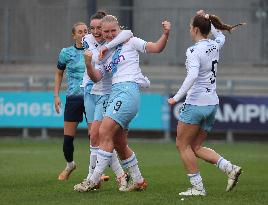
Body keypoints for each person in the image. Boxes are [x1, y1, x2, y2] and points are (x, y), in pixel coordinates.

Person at [75, 15, 171, 192]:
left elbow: (156, 48)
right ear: (102, 33)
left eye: (113, 31)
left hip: (128, 91)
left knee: (103, 130)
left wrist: (165, 34)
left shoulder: (131, 41)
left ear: (118, 28)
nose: (110, 34)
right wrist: (88, 64)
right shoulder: (105, 54)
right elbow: (96, 78)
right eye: (106, 32)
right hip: (115, 94)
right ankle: (139, 180)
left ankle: (93, 180)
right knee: (119, 143)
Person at [168, 10, 245, 196]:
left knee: (182, 145)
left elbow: (193, 75)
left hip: (195, 104)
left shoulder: (193, 50)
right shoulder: (214, 45)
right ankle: (230, 168)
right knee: (195, 147)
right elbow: (221, 36)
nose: (189, 30)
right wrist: (208, 18)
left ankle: (197, 188)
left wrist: (176, 97)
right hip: (212, 104)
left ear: (195, 29)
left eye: (190, 27)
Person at [74, 11, 134, 191]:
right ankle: (117, 175)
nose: (95, 31)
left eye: (99, 27)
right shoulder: (89, 41)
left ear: (107, 28)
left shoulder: (114, 41)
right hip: (89, 90)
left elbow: (128, 33)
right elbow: (94, 58)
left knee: (100, 136)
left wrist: (110, 44)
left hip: (107, 92)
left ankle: (94, 177)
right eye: (92, 28)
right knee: (94, 137)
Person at [54, 22, 88, 180]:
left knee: (95, 137)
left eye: (85, 31)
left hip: (92, 97)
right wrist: (56, 95)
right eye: (80, 32)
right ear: (74, 35)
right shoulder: (66, 53)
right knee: (67, 139)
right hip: (73, 98)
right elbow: (59, 73)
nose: (83, 34)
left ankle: (96, 171)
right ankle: (70, 165)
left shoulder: (94, 50)